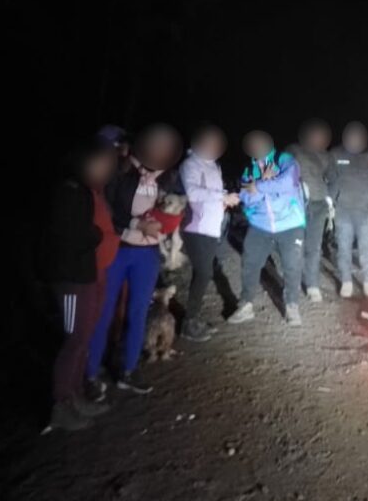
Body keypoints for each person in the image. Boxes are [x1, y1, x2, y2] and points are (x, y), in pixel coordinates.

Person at [86, 123, 183, 396]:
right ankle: (90, 373)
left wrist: (169, 219)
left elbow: (174, 207)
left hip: (147, 254)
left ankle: (129, 369)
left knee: (138, 312)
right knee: (104, 311)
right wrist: (136, 225)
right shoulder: (121, 171)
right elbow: (107, 212)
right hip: (119, 249)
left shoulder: (167, 176)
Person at [41, 139, 120, 430]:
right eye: (101, 163)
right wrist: (98, 236)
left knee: (84, 337)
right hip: (72, 279)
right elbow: (70, 235)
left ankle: (77, 397)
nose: (106, 168)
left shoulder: (88, 189)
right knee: (74, 340)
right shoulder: (67, 190)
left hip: (89, 274)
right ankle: (62, 404)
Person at [231, 131, 308, 326]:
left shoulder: (285, 160)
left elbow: (288, 183)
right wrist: (265, 182)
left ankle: (292, 306)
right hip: (260, 225)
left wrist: (259, 186)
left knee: (292, 266)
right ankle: (246, 304)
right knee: (250, 264)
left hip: (290, 224)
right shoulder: (249, 170)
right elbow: (247, 198)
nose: (256, 146)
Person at [179, 124, 240, 341]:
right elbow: (193, 192)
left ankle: (193, 319)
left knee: (203, 273)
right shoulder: (190, 164)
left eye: (217, 144)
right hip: (196, 226)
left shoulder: (214, 165)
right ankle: (189, 323)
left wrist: (225, 198)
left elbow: (213, 192)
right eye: (210, 143)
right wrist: (221, 197)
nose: (214, 147)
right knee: (204, 272)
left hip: (213, 226)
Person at [330, 122, 368, 298]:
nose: (354, 140)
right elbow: (331, 179)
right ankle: (346, 281)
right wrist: (330, 203)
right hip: (343, 210)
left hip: (364, 211)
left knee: (367, 248)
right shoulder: (336, 154)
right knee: (344, 247)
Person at [289, 119, 333, 303]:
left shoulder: (325, 156)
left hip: (320, 204)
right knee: (296, 246)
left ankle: (312, 285)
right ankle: (292, 283)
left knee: (314, 247)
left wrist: (330, 199)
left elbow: (331, 177)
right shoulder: (293, 150)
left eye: (321, 136)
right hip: (298, 205)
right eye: (314, 135)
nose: (318, 139)